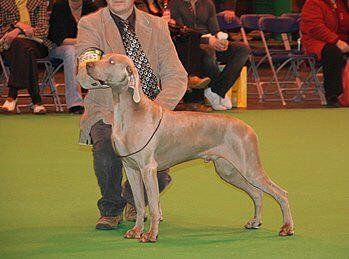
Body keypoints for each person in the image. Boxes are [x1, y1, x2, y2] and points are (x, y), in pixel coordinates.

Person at [76, 0, 187, 228]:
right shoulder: (91, 24)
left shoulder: (157, 25)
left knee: (160, 176)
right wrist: (96, 73)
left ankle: (133, 200)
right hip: (108, 110)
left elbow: (176, 76)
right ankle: (111, 207)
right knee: (107, 148)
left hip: (153, 112)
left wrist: (156, 111)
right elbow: (85, 70)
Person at [169, 0, 250, 110]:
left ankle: (217, 90)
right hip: (190, 45)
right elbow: (182, 31)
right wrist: (207, 41)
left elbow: (215, 30)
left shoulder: (208, 3)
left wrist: (221, 40)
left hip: (211, 42)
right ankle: (217, 91)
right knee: (208, 55)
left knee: (242, 49)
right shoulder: (175, 3)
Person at [0, 0, 54, 114]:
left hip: (37, 44)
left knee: (24, 48)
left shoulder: (40, 2)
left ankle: (12, 95)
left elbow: (43, 30)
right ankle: (36, 99)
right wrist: (18, 26)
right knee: (25, 50)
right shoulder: (3, 2)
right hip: (10, 46)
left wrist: (18, 29)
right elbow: (1, 29)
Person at [48, 0, 98, 114]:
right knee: (71, 51)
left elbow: (96, 36)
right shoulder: (59, 7)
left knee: (96, 52)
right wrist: (82, 42)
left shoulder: (91, 7)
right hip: (60, 48)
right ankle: (75, 103)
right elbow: (58, 39)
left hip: (86, 48)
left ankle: (98, 101)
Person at [301, 0, 349, 107]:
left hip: (339, 40)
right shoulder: (313, 3)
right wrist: (336, 41)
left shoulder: (342, 4)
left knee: (335, 50)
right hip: (316, 41)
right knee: (333, 53)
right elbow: (315, 28)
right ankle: (333, 96)